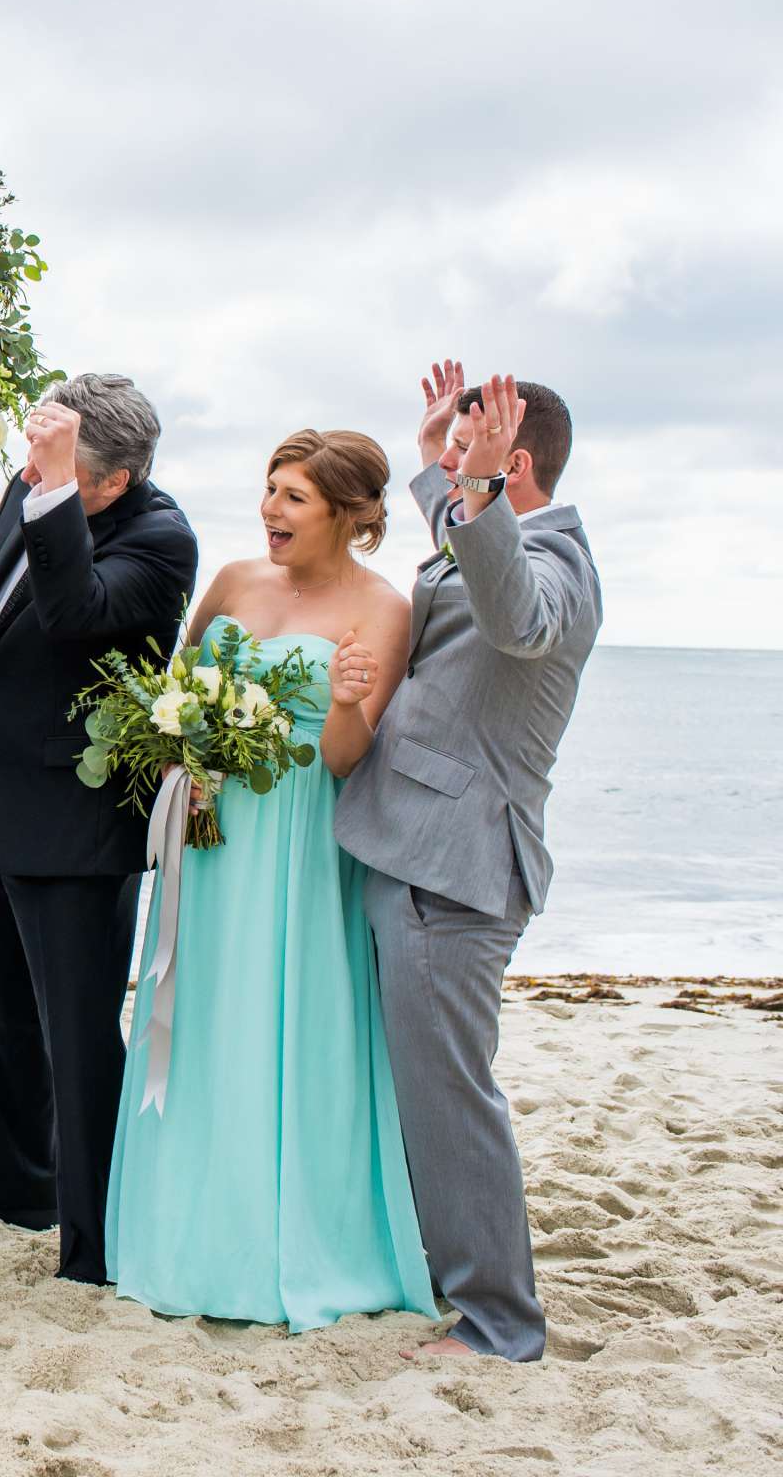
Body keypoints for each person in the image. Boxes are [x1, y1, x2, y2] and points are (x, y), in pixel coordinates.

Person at [104, 429, 434, 1331]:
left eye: (293, 497)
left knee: (285, 1025)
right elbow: (172, 690)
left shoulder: (385, 609)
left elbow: (343, 760)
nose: (270, 511)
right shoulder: (236, 583)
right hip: (211, 837)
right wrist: (183, 757)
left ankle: (290, 1241)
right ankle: (186, 1232)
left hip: (298, 845)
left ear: (349, 515)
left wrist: (346, 700)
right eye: (269, 490)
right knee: (201, 1016)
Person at [335, 364, 602, 1362]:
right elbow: (465, 561)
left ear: (515, 464)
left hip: (451, 872)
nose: (455, 461)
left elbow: (511, 611)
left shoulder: (560, 568)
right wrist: (434, 462)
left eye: (476, 446)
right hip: (408, 846)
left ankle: (498, 1321)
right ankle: (442, 1279)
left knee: (450, 1097)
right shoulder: (494, 534)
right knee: (420, 1086)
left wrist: (473, 489)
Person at [0, 377, 198, 1286]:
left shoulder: (161, 539)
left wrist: (46, 495)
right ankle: (18, 1188)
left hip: (74, 826)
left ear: (111, 482)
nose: (29, 472)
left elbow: (76, 610)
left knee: (77, 1036)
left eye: (57, 466)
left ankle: (96, 1239)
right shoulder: (34, 488)